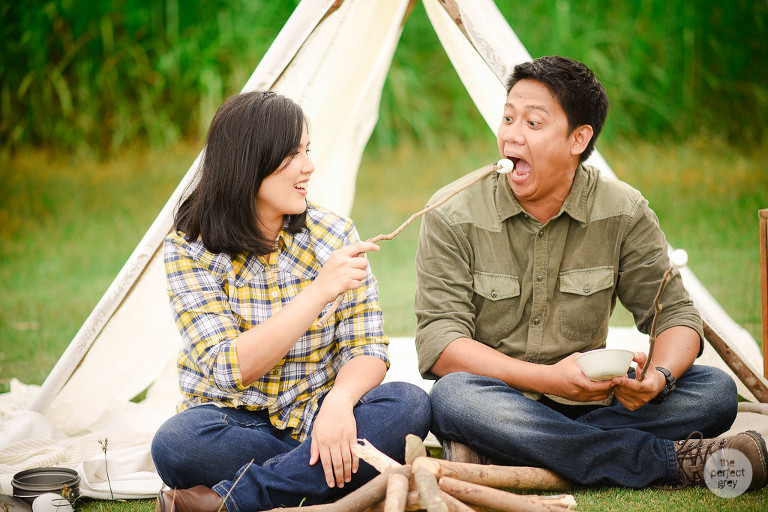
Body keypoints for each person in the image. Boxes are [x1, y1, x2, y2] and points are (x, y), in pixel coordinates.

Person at [414, 55, 767, 490]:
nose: (511, 135)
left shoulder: (623, 210)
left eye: (533, 123)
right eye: (508, 118)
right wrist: (547, 378)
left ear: (578, 138)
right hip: (500, 397)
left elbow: (675, 316)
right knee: (454, 399)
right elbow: (441, 346)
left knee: (712, 390)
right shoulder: (451, 213)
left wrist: (657, 379)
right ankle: (672, 462)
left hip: (597, 403)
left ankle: (510, 448)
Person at [151, 90, 431, 512]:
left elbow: (367, 348)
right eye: (292, 155)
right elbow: (231, 368)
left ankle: (229, 501)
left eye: (308, 150)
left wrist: (338, 404)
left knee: (409, 404)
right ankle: (324, 474)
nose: (309, 166)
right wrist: (319, 291)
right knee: (176, 444)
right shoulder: (190, 249)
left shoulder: (334, 234)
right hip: (233, 421)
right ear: (249, 163)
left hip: (325, 413)